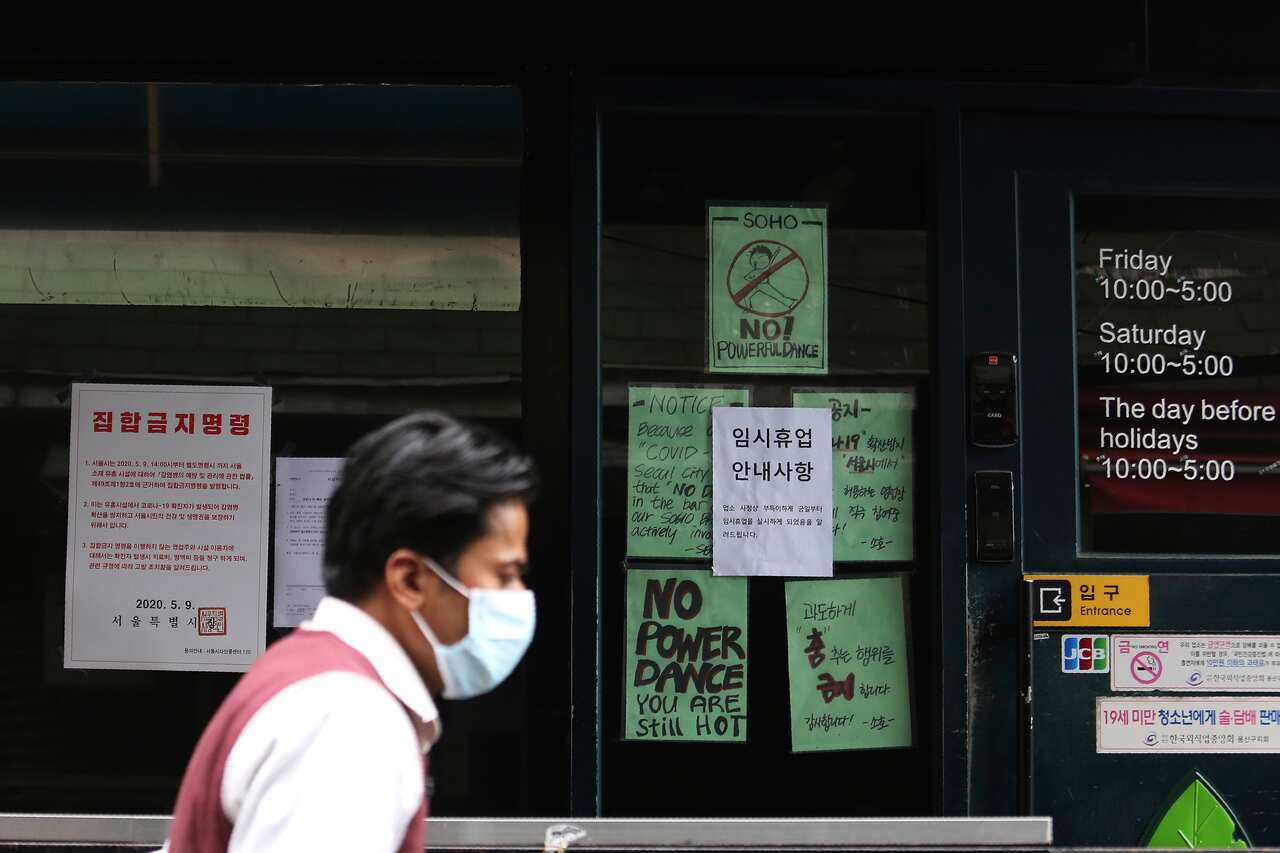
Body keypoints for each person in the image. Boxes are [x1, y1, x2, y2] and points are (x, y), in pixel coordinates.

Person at [163, 412, 538, 852]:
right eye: (506, 574)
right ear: (410, 580)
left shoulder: (305, 676)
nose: (519, 595)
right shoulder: (350, 719)